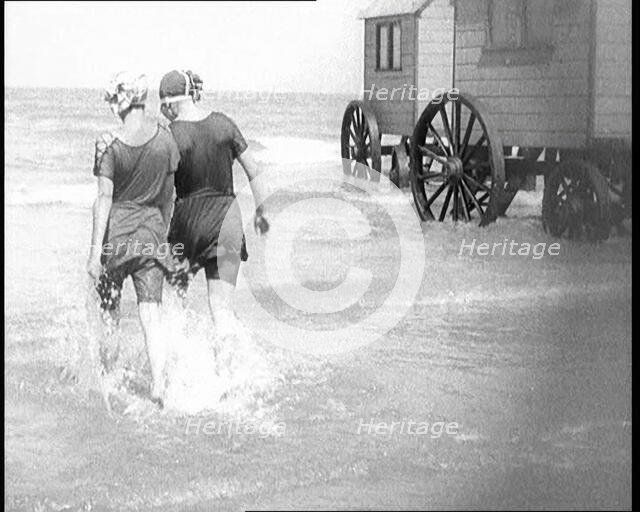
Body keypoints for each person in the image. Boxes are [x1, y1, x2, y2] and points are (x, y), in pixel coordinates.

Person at [87, 71, 180, 406]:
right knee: (150, 314)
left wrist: (95, 254)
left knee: (110, 313)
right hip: (152, 236)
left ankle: (109, 383)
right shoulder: (166, 140)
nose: (112, 105)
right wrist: (163, 234)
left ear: (123, 100)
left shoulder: (108, 144)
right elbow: (169, 196)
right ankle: (158, 385)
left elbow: (104, 200)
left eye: (113, 99)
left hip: (116, 240)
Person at [159, 70, 269, 335]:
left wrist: (160, 235)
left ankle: (176, 373)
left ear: (169, 104)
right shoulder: (223, 124)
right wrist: (261, 213)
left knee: (174, 306)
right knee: (222, 311)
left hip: (188, 225)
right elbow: (254, 171)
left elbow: (163, 194)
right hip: (227, 223)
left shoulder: (169, 136)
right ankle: (229, 373)